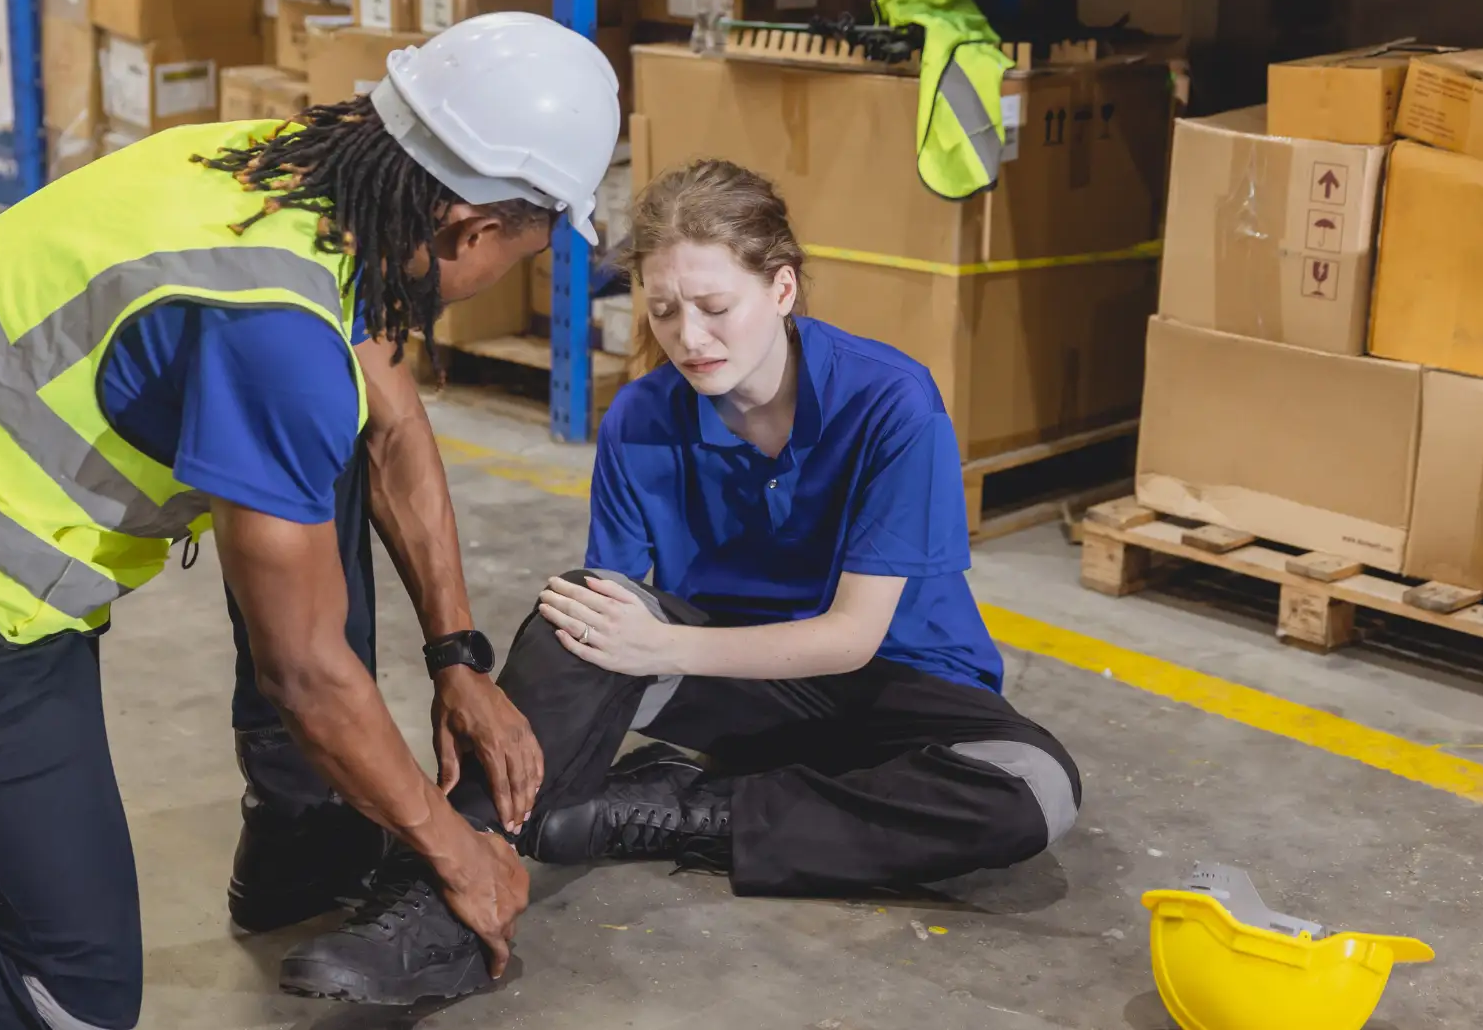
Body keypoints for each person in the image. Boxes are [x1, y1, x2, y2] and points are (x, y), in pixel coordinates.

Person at [0, 12, 618, 1030]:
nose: (516, 270)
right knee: (62, 997)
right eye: (528, 246)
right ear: (470, 228)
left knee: (315, 445)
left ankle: (306, 840)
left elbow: (388, 425)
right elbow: (308, 674)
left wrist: (457, 657)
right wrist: (453, 846)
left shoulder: (276, 170)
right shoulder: (271, 333)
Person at [280, 158, 1082, 1000]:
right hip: (742, 690)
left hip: (900, 690)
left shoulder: (890, 403)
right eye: (664, 312)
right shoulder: (642, 415)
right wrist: (605, 647)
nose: (690, 338)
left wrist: (659, 643)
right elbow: (604, 623)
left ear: (781, 288)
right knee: (579, 615)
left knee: (1036, 792)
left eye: (714, 307)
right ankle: (437, 896)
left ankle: (680, 810)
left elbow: (852, 640)